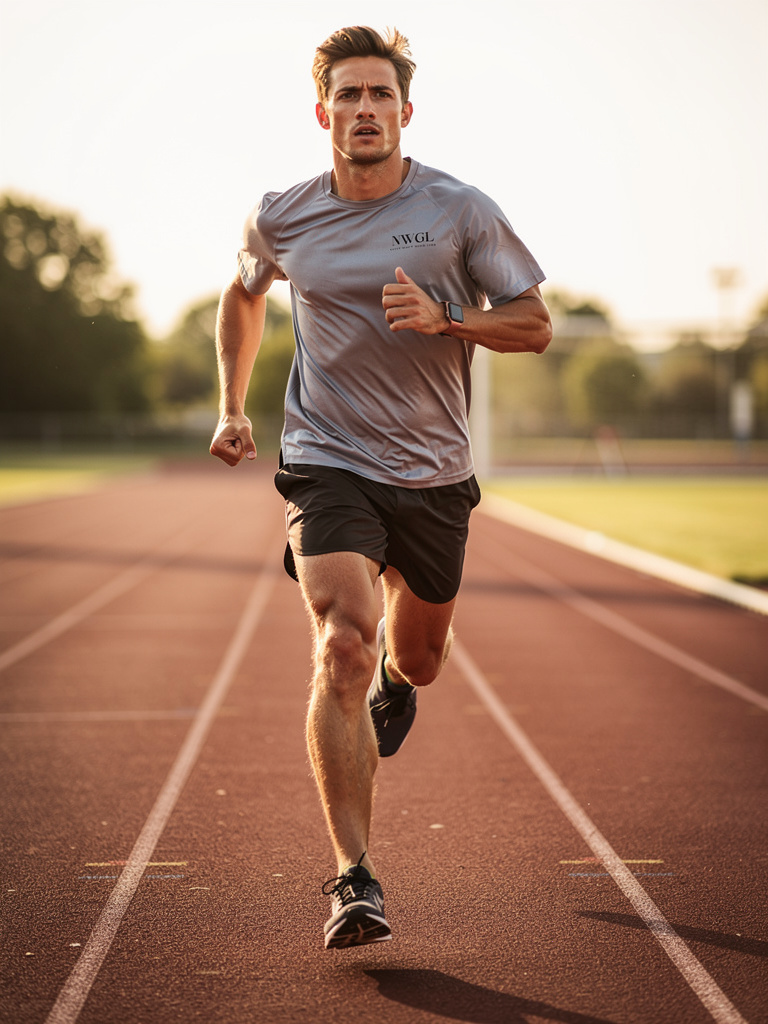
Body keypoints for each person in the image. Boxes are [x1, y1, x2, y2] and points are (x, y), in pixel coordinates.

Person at [210, 25, 552, 950]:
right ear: (323, 112)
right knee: (341, 645)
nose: (365, 110)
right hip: (327, 459)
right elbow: (244, 292)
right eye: (349, 96)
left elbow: (534, 324)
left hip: (435, 473)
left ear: (406, 111)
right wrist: (234, 404)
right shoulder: (282, 214)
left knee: (419, 657)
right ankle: (353, 877)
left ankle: (403, 678)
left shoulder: (460, 211)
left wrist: (449, 322)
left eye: (380, 96)